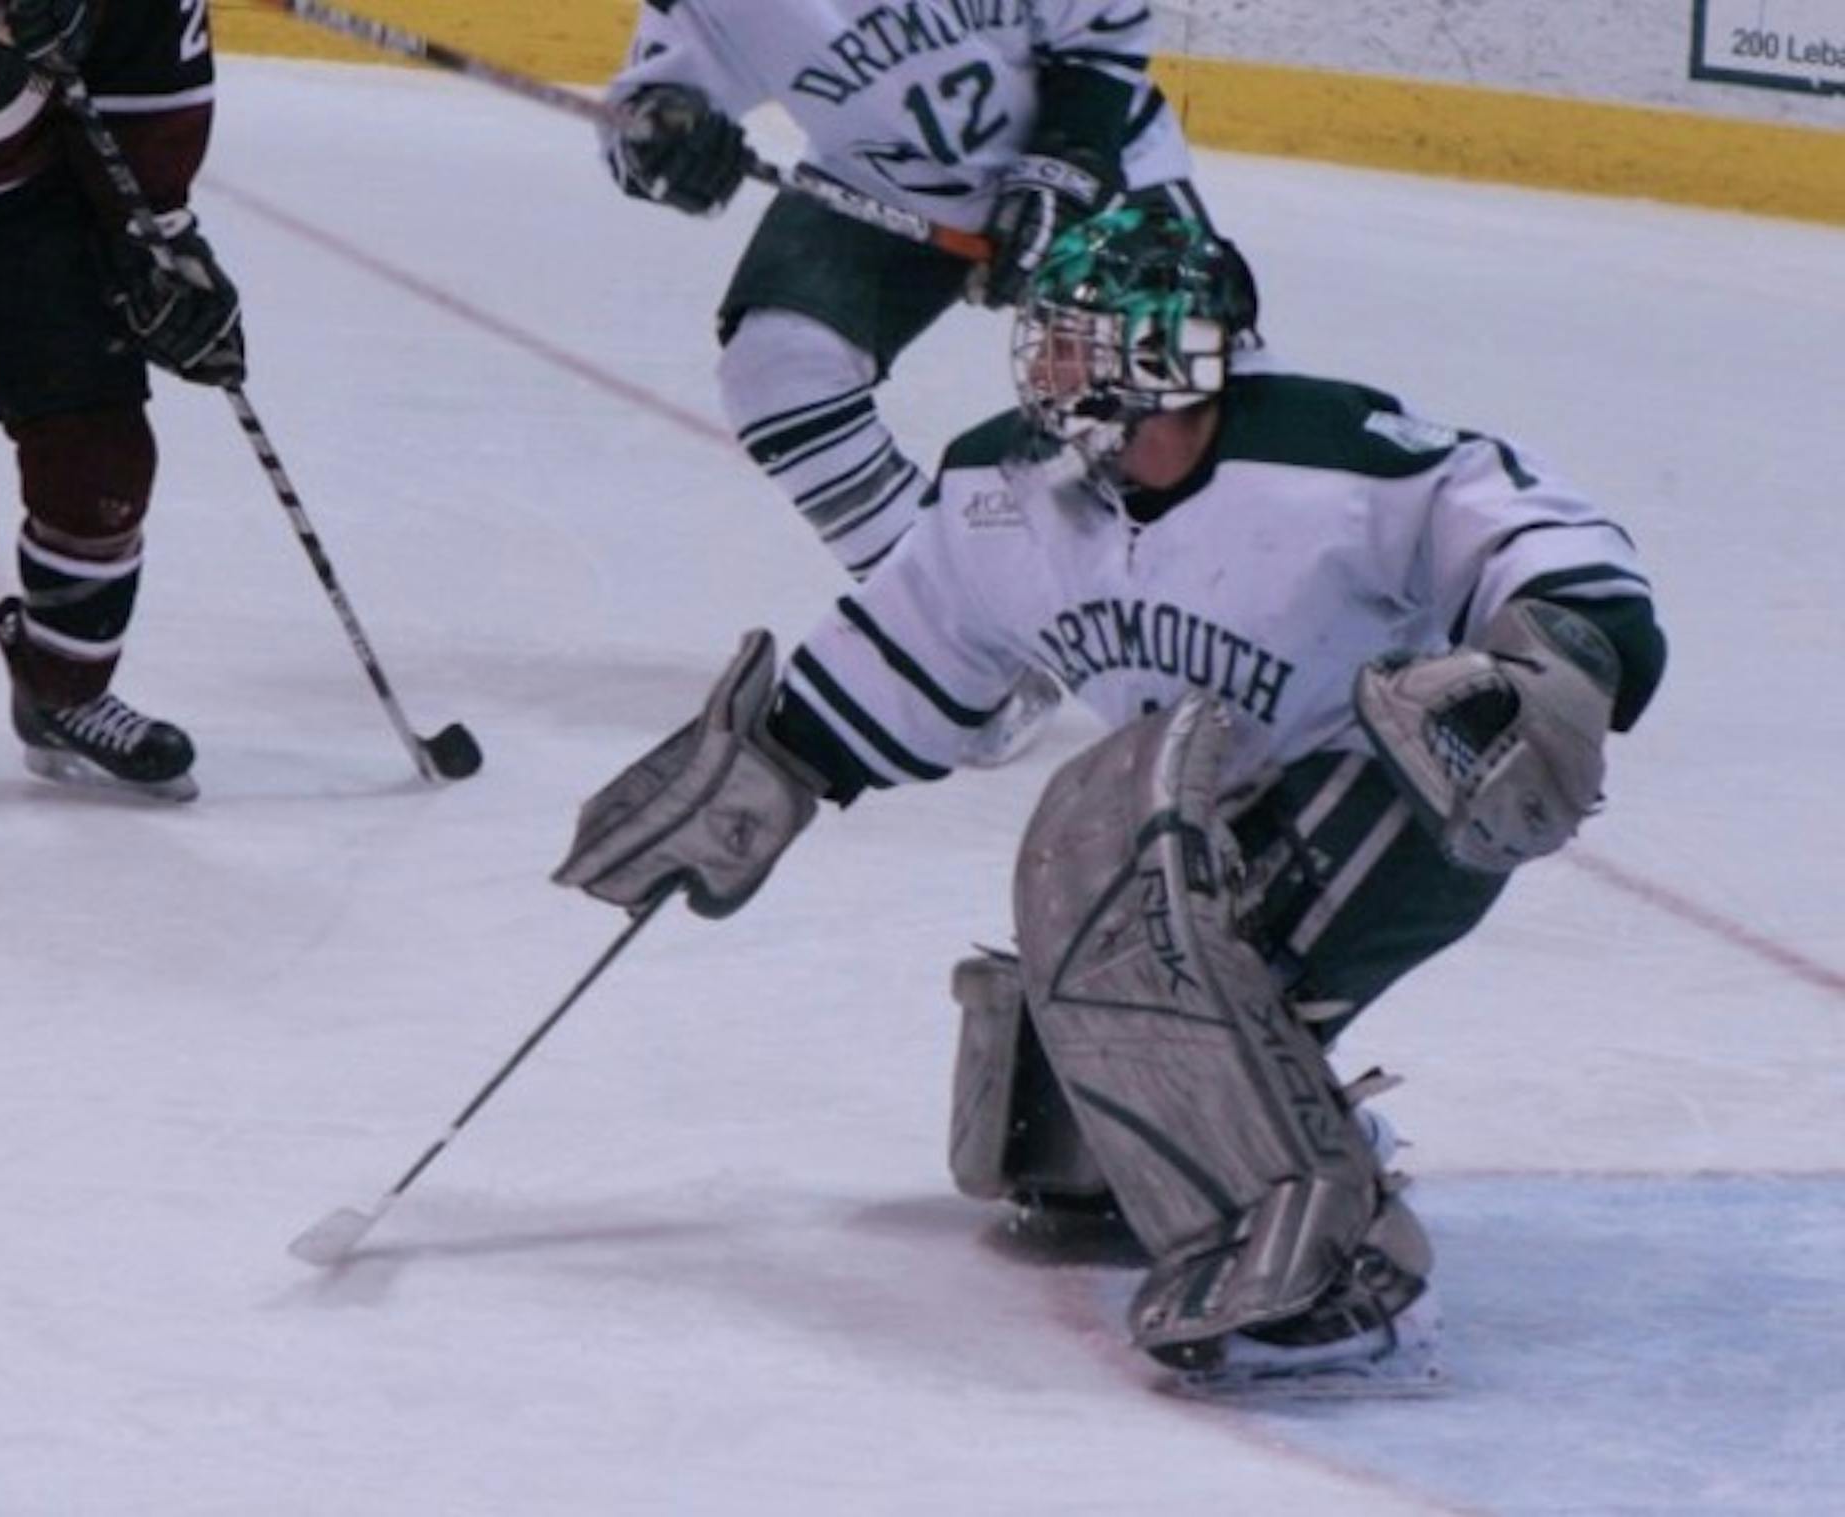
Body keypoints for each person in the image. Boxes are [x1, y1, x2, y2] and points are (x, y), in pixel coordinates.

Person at [551, 206, 1668, 1392]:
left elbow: (1545, 537)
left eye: (1087, 344)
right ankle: (1275, 1126)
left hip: (1410, 793)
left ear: (1178, 352)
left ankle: (1349, 1287)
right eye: (1051, 343)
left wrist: (1563, 651)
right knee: (1059, 1137)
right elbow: (914, 639)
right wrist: (764, 768)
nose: (1055, 370)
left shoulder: (1336, 454)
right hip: (1206, 819)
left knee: (1166, 963)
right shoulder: (1006, 486)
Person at [600, 1, 1244, 760]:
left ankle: (1270, 630)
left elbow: (1105, 25)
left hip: (1088, 153)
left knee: (1181, 405)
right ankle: (972, 643)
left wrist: (1063, 167)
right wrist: (669, 143)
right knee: (779, 369)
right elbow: (638, 123)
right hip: (884, 183)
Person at [0, 0, 245, 842]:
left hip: (20, 204)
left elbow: (150, 91)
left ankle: (65, 688)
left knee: (101, 456)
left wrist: (156, 237)